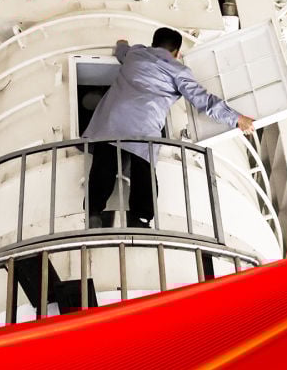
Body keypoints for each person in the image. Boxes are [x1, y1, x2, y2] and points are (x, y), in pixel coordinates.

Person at [82, 27, 254, 228]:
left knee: (104, 165)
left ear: (153, 43)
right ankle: (140, 219)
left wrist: (121, 43)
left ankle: (93, 211)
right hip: (143, 125)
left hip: (112, 120)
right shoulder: (178, 71)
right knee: (143, 171)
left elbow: (122, 51)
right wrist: (237, 118)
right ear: (177, 53)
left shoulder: (136, 54)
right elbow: (203, 100)